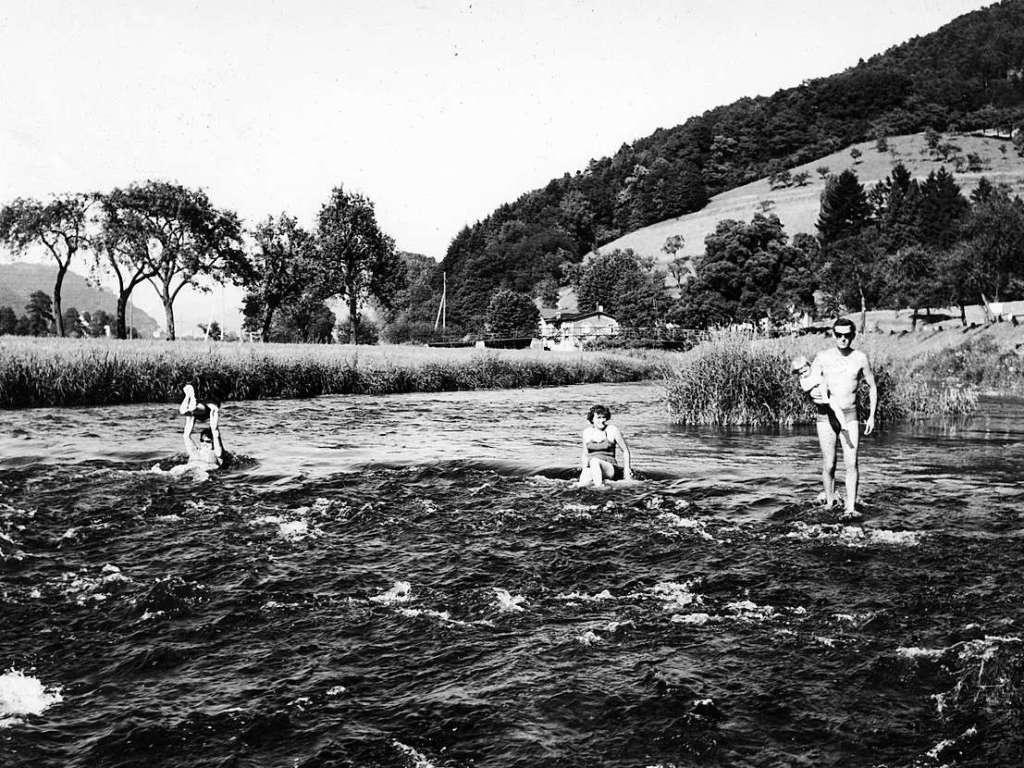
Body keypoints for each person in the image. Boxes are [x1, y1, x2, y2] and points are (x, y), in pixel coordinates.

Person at [807, 318, 877, 516]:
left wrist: (871, 416)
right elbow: (809, 385)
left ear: (853, 335)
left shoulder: (861, 358)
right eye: (839, 335)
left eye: (847, 335)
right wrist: (813, 396)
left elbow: (872, 387)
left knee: (852, 463)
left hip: (850, 415)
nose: (843, 339)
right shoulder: (822, 357)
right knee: (829, 464)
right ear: (833, 335)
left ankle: (850, 508)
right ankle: (830, 503)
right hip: (826, 416)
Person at [790, 355, 853, 449]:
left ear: (809, 366)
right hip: (821, 406)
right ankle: (840, 432)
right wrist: (816, 382)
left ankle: (845, 430)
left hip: (828, 398)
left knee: (836, 409)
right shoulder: (803, 380)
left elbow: (823, 374)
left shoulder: (815, 372)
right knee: (832, 419)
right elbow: (805, 387)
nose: (804, 374)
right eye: (801, 373)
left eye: (805, 371)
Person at [577, 405, 633, 487]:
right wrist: (584, 468)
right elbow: (585, 454)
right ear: (592, 419)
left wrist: (627, 471)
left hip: (609, 468)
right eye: (599, 418)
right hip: (593, 468)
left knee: (594, 461)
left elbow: (625, 451)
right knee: (582, 481)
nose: (602, 420)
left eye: (604, 417)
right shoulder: (587, 432)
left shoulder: (612, 430)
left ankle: (599, 488)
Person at [179, 384, 227, 469]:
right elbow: (186, 435)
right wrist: (191, 417)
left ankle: (193, 407)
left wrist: (214, 412)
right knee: (185, 413)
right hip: (186, 471)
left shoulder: (218, 454)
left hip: (203, 472)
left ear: (213, 443)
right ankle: (190, 402)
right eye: (202, 441)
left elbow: (215, 432)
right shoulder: (195, 452)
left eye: (208, 441)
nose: (204, 444)